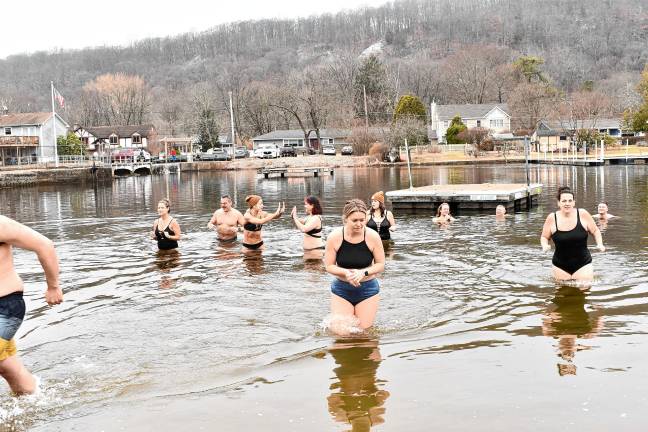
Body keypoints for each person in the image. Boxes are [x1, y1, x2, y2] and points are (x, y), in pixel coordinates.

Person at [0, 215, 63, 395]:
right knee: (8, 367)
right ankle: (35, 402)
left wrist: (53, 286)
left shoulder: (1, 225)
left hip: (5, 307)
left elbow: (44, 245)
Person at [325, 199, 385, 335]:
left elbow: (381, 264)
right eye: (354, 220)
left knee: (362, 335)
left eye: (362, 220)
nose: (359, 224)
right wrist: (346, 273)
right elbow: (329, 266)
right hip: (341, 290)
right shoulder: (334, 237)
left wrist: (363, 273)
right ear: (345, 219)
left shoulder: (372, 236)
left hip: (368, 290)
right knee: (341, 334)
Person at [540, 186, 605, 281]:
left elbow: (595, 231)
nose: (567, 204)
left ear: (574, 202)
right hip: (560, 266)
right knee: (561, 294)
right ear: (558, 203)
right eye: (564, 201)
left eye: (570, 201)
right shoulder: (552, 218)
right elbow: (544, 236)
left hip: (583, 264)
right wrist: (544, 245)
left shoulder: (582, 214)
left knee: (584, 291)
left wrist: (600, 244)